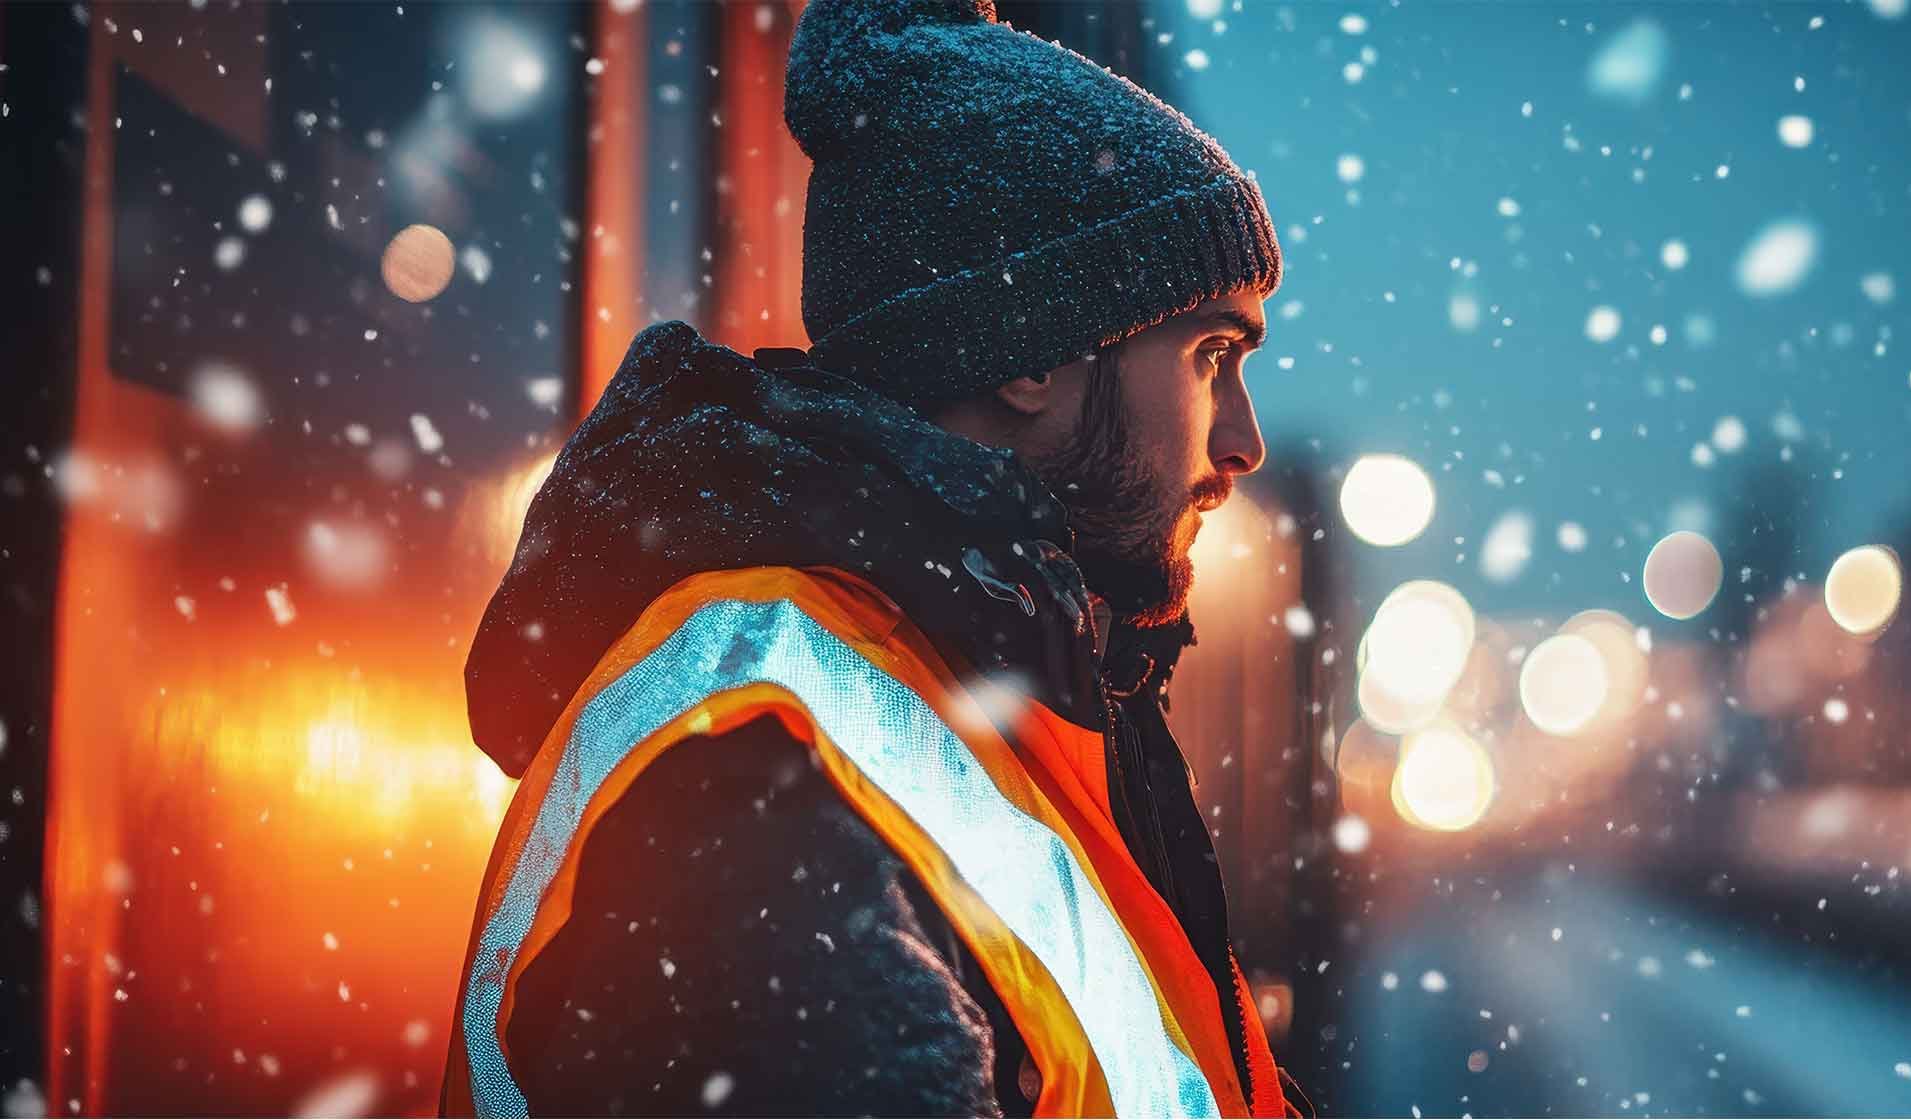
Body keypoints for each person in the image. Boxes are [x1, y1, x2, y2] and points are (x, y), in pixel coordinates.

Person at [443, 0, 1295, 1114]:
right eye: (1212, 355)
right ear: (1031, 351)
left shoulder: (978, 679)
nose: (1245, 441)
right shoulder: (763, 760)